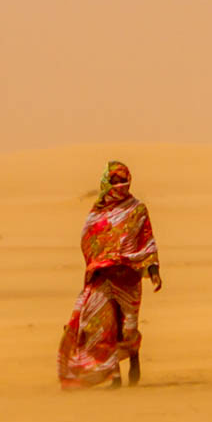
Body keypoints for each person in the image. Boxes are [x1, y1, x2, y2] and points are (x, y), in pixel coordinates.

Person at [58, 161, 162, 389]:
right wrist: (97, 263)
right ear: (107, 182)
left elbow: (147, 241)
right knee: (105, 327)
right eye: (115, 181)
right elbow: (89, 240)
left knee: (129, 328)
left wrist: (153, 270)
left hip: (129, 277)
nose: (120, 186)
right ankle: (114, 376)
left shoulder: (137, 209)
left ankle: (134, 355)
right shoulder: (97, 213)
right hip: (103, 277)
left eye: (123, 181)